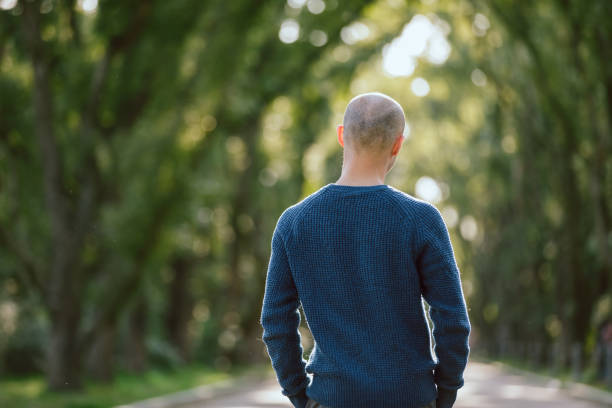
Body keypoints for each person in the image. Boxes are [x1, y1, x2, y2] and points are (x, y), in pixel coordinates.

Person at [260, 92, 471, 408]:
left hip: (331, 399)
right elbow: (452, 320)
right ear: (398, 144)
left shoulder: (294, 222)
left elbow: (276, 322)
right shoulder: (421, 220)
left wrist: (300, 395)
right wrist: (446, 392)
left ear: (342, 136)